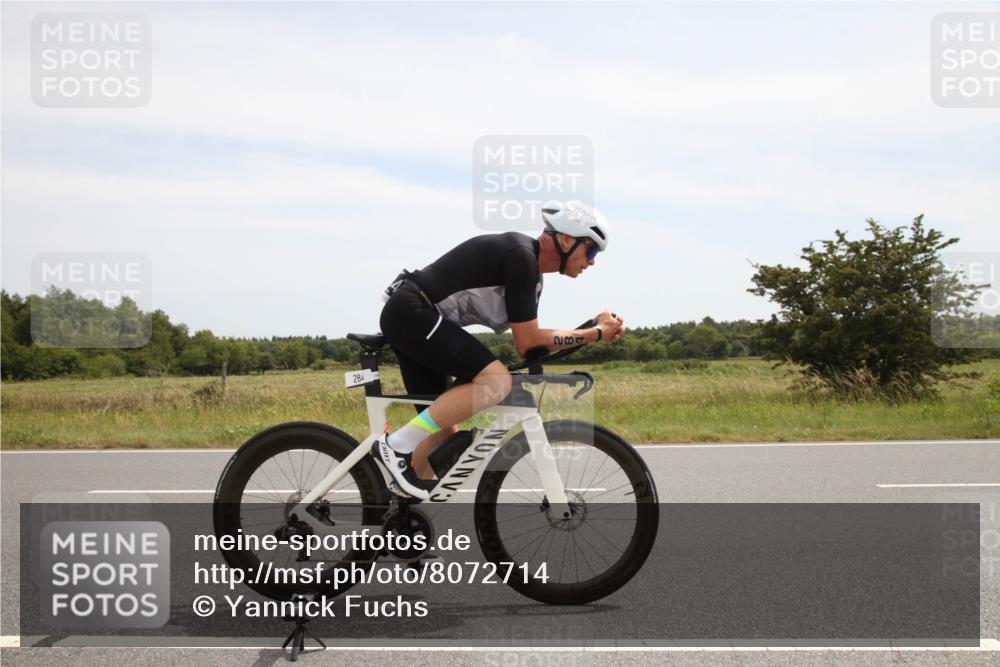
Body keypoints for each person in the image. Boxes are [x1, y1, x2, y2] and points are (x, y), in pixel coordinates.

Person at [372, 200, 624, 499]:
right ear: (567, 240)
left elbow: (530, 347)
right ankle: (395, 446)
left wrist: (589, 330)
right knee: (496, 381)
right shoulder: (521, 257)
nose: (592, 262)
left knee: (442, 437)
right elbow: (527, 341)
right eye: (592, 251)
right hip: (412, 312)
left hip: (416, 318)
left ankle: (400, 517)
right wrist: (595, 333)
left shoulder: (532, 274)